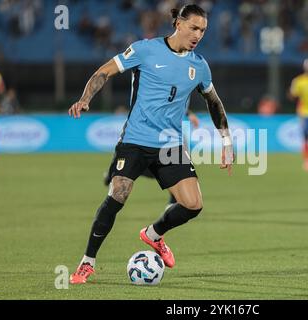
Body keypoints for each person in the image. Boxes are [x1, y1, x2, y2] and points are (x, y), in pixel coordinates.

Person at [68, 4, 234, 284]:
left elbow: (214, 102)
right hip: (135, 139)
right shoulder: (145, 50)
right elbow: (104, 71)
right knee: (118, 194)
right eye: (194, 27)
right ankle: (87, 262)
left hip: (170, 146)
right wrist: (86, 98)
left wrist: (226, 141)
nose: (198, 35)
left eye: (203, 30)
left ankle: (154, 235)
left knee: (193, 205)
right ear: (178, 24)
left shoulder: (199, 66)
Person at [103, 109, 200, 210]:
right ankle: (122, 171)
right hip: (161, 129)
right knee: (170, 165)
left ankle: (173, 201)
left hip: (175, 130)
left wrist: (189, 113)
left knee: (177, 164)